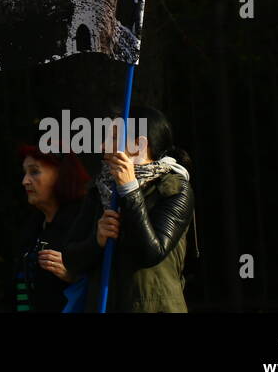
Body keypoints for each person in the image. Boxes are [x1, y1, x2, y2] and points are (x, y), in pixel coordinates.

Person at [61, 105, 194, 312]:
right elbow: (70, 258)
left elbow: (151, 253)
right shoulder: (101, 189)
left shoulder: (173, 187)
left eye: (114, 138)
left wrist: (129, 190)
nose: (104, 145)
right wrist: (97, 241)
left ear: (141, 144)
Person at [14, 145, 89, 312]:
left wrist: (75, 277)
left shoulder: (84, 220)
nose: (25, 181)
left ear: (61, 175)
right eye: (25, 172)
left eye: (34, 172)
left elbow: (109, 281)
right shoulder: (33, 225)